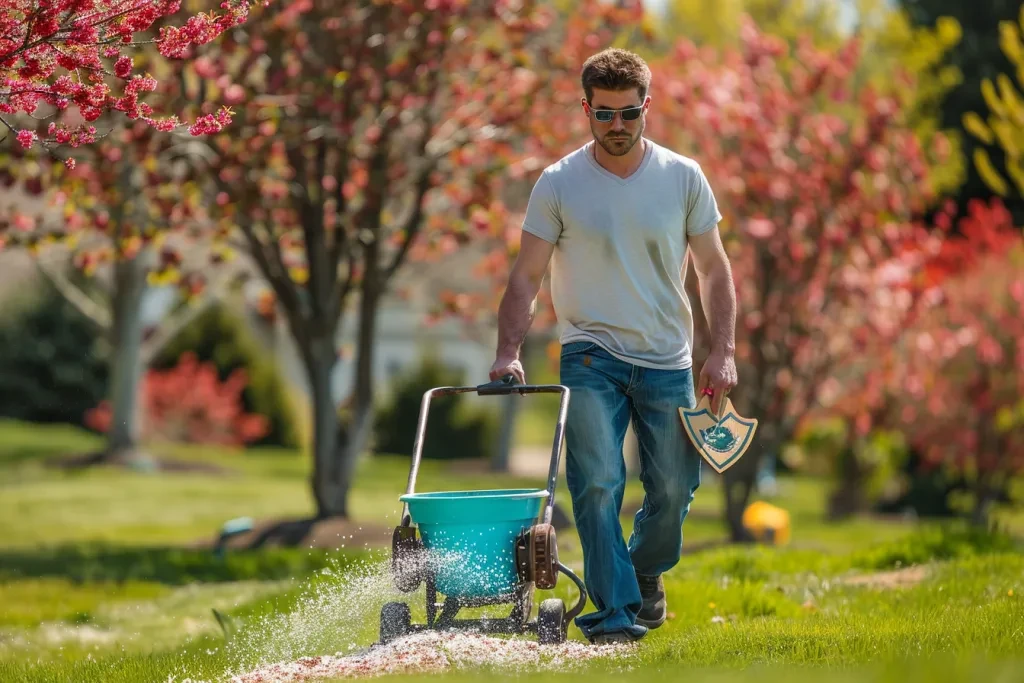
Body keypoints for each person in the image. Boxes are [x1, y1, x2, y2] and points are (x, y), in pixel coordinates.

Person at [489, 48, 738, 644]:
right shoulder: (559, 183)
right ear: (586, 110)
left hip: (667, 360)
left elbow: (714, 270)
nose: (617, 127)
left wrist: (722, 349)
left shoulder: (683, 177)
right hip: (589, 354)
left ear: (646, 108)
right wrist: (508, 351)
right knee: (597, 482)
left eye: (628, 114)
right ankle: (616, 613)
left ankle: (645, 573)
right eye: (604, 115)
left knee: (675, 491)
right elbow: (525, 277)